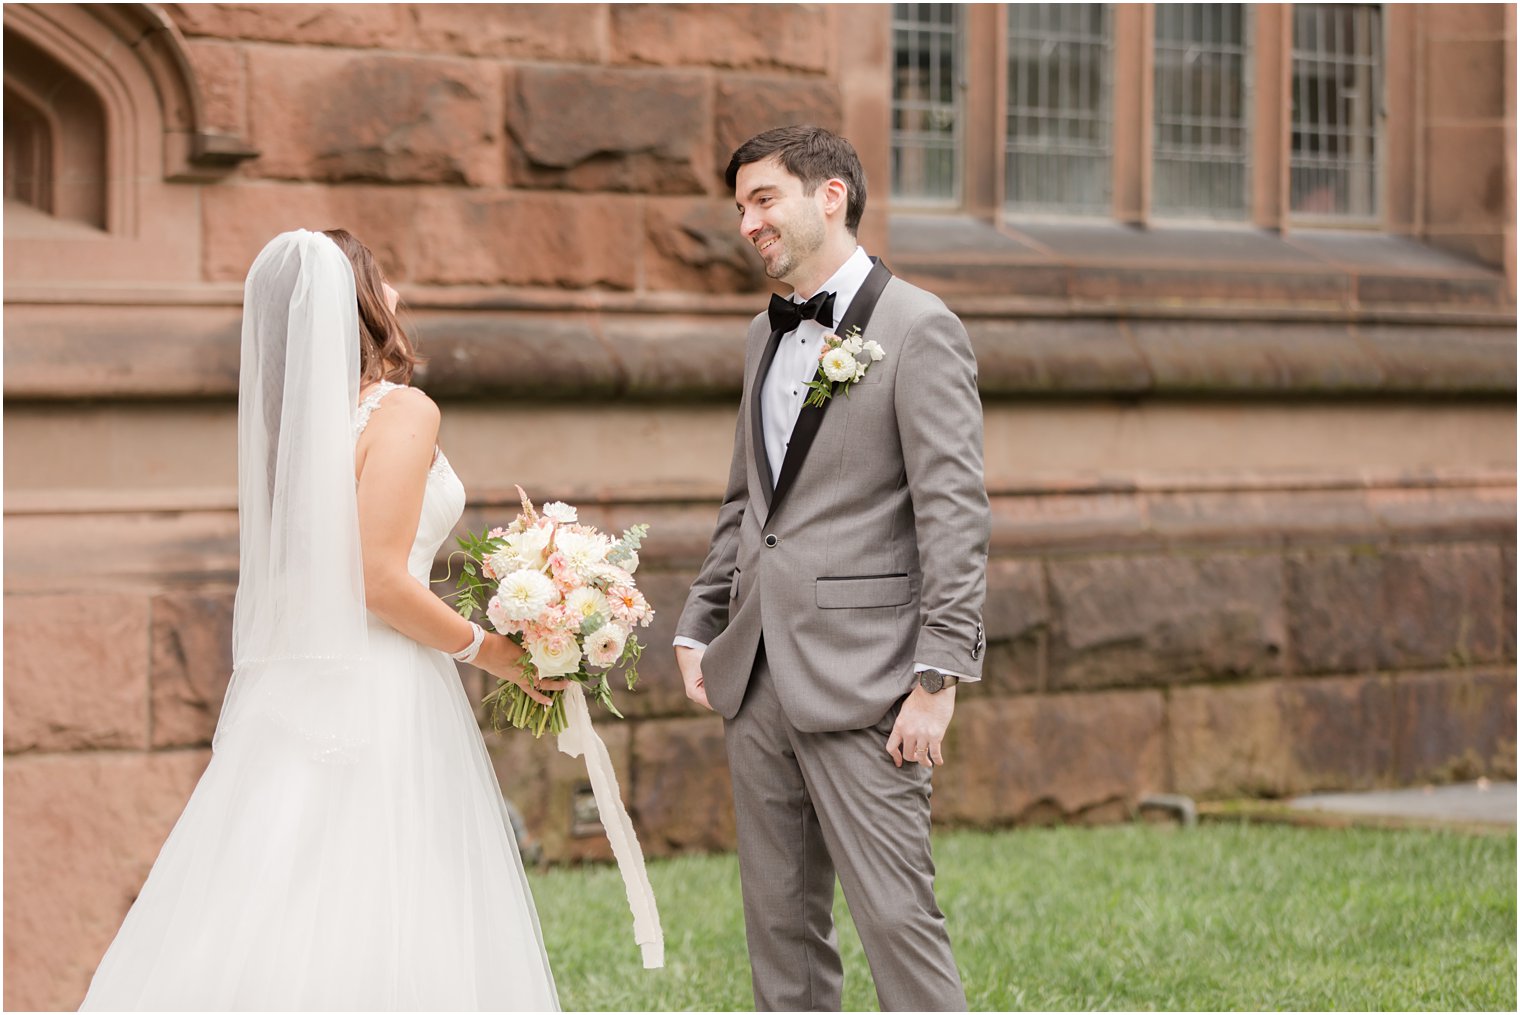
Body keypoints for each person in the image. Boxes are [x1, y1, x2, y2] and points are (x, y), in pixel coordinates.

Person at [80, 229, 562, 1010]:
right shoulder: (403, 410)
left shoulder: (296, 437)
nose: (399, 295)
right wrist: (492, 648)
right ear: (361, 304)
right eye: (385, 281)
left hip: (303, 685)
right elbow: (377, 579)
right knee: (389, 893)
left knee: (275, 879)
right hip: (382, 682)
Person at [673, 125, 990, 1011]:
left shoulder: (921, 328)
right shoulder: (759, 339)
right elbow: (748, 504)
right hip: (758, 675)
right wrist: (701, 621)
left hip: (871, 681)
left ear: (831, 196)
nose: (747, 223)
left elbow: (954, 515)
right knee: (780, 930)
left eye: (763, 199)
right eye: (740, 207)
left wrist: (939, 676)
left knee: (896, 920)